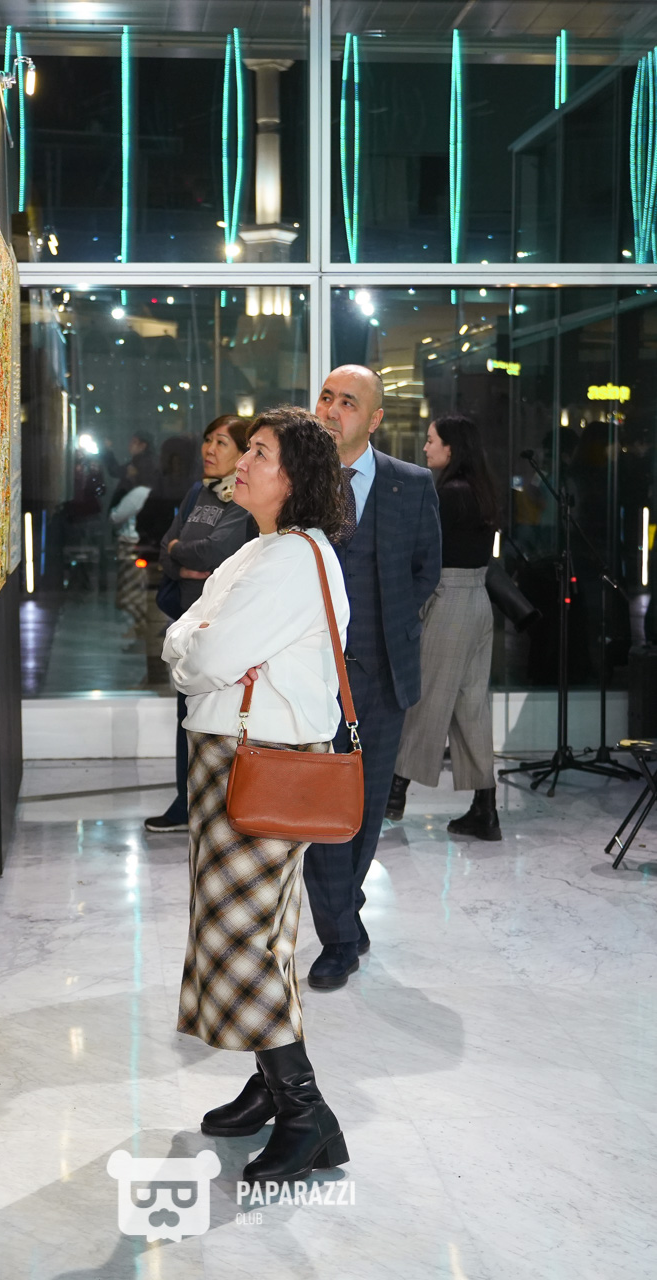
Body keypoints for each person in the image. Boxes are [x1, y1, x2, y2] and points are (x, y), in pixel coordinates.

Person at [162, 407, 351, 1183]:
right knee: (250, 931)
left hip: (261, 760)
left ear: (294, 478)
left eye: (261, 454)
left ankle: (305, 1114)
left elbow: (207, 659)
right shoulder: (261, 549)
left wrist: (197, 650)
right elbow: (184, 635)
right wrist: (195, 646)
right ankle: (271, 1087)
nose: (241, 462)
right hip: (235, 755)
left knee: (241, 937)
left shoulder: (290, 560)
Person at [302, 365, 441, 990]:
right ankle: (339, 939)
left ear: (376, 418)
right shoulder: (296, 481)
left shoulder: (411, 484)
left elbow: (425, 571)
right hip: (309, 678)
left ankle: (345, 910)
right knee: (321, 813)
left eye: (349, 402)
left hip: (384, 676)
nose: (332, 411)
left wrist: (389, 628)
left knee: (364, 811)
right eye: (326, 398)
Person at [386, 415, 501, 840]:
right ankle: (485, 808)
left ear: (451, 448)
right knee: (471, 707)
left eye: (432, 440)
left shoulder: (448, 495)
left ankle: (394, 793)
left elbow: (424, 552)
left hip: (449, 598)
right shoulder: (481, 491)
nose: (425, 447)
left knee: (426, 699)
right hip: (478, 599)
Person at [144, 415, 257, 833]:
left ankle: (222, 805)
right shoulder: (197, 491)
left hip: (220, 628)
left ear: (242, 453)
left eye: (222, 442)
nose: (209, 449)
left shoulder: (241, 498)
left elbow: (214, 551)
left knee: (218, 720)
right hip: (186, 624)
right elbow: (165, 549)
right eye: (208, 440)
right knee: (186, 717)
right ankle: (185, 802)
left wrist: (186, 555)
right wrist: (181, 561)